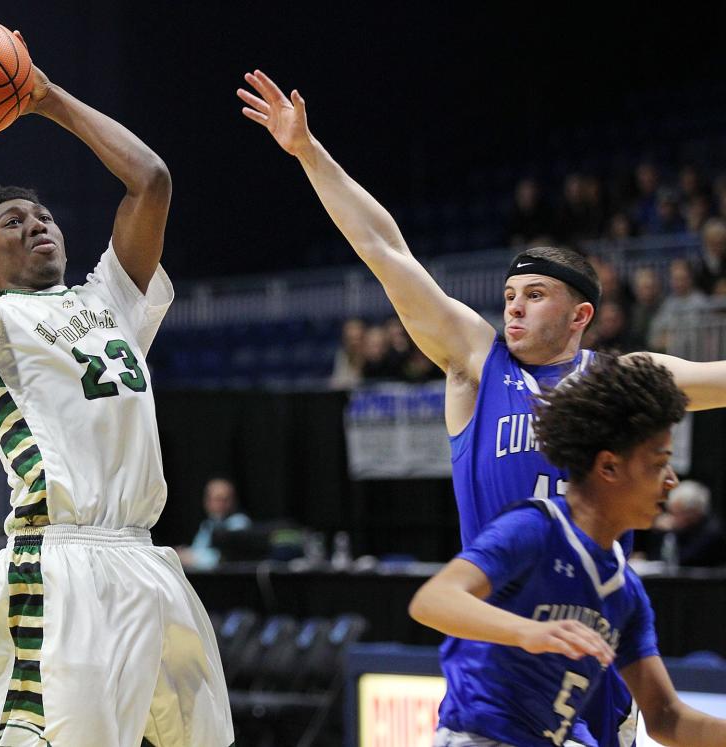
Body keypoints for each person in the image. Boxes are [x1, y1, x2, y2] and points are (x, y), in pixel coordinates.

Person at [237, 68, 726, 747]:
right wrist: (308, 152)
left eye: (534, 294)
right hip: (501, 647)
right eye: (510, 293)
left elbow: (718, 377)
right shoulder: (477, 360)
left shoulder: (620, 382)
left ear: (581, 313)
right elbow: (385, 252)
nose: (513, 305)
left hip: (591, 633)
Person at [0, 37, 233, 747]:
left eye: (43, 214)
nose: (36, 223)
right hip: (60, 559)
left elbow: (151, 179)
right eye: (14, 222)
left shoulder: (110, 299)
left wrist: (45, 96)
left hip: (148, 557)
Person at [409, 354, 726, 746]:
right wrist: (530, 632)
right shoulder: (536, 527)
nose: (671, 481)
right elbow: (432, 601)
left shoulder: (625, 592)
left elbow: (665, 717)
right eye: (659, 464)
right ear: (609, 468)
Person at [646, 479, 726, 568]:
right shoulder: (682, 528)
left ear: (694, 512)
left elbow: (680, 561)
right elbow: (655, 558)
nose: (671, 518)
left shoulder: (712, 533)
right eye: (670, 512)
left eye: (676, 513)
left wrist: (666, 533)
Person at [177, 478, 252, 570]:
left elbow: (222, 558)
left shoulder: (239, 523)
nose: (221, 504)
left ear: (233, 501)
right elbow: (197, 549)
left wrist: (189, 557)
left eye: (225, 499)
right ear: (207, 502)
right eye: (216, 499)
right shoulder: (207, 524)